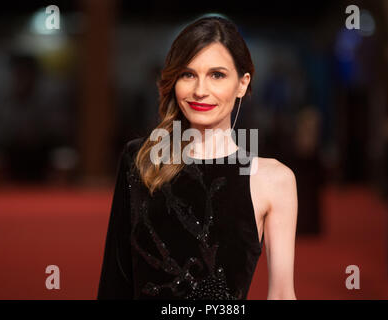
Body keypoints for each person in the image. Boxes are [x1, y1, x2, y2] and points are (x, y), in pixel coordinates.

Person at [97, 16, 298, 300]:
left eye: (217, 75)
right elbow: (114, 284)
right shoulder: (141, 159)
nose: (200, 90)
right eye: (188, 74)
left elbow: (281, 294)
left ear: (242, 83)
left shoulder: (273, 179)